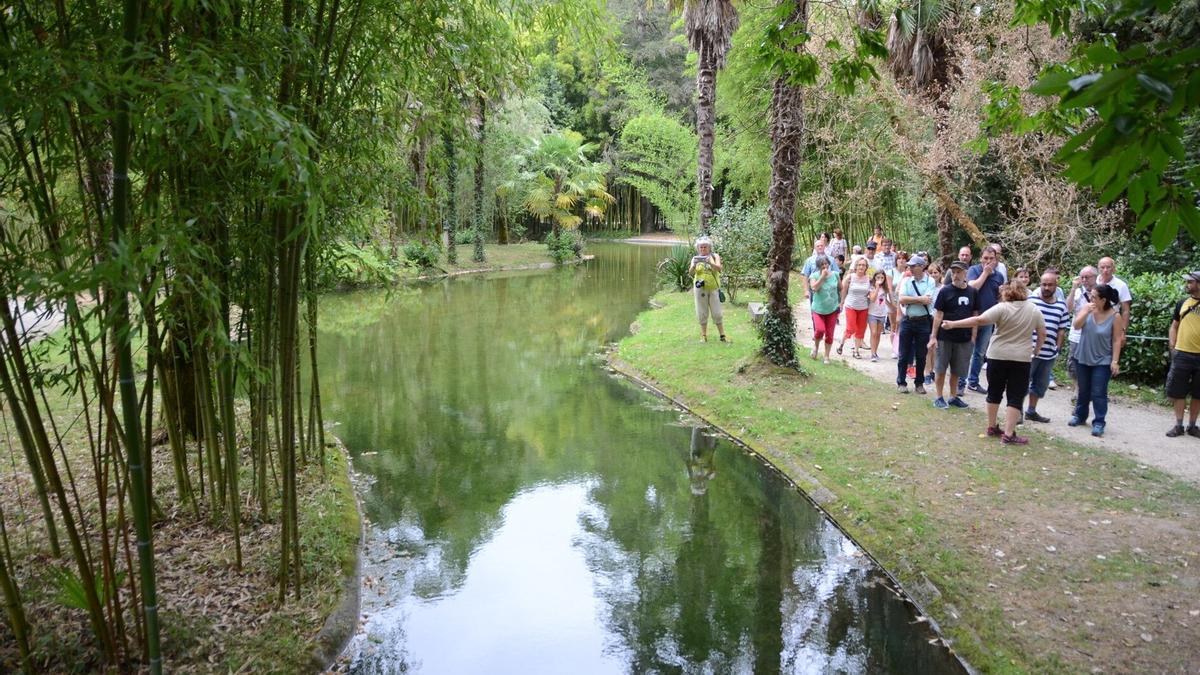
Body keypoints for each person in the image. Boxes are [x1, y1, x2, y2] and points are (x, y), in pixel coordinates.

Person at [942, 281, 1046, 445]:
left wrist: (953, 324)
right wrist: (1037, 350)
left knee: (994, 391)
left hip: (997, 356)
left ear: (1007, 292)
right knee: (1015, 396)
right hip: (1021, 358)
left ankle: (991, 427)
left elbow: (979, 320)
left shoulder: (1002, 308)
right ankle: (1009, 433)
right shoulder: (1033, 309)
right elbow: (1042, 333)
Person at [1070, 284, 1125, 437]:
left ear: (1103, 300)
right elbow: (1076, 326)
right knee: (1083, 389)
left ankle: (1099, 422)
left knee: (1099, 392)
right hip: (1083, 356)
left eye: (1094, 297)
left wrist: (1115, 361)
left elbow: (1117, 340)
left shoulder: (1115, 316)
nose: (1091, 298)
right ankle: (1080, 416)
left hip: (1102, 359)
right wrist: (1085, 312)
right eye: (1090, 296)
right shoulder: (1087, 309)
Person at [929, 260, 978, 409]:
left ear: (965, 274)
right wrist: (933, 336)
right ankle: (939, 397)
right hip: (945, 337)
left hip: (964, 337)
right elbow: (938, 314)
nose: (955, 275)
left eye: (958, 272)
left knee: (957, 369)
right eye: (953, 272)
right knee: (941, 368)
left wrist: (973, 335)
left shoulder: (972, 292)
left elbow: (975, 314)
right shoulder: (945, 291)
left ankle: (953, 396)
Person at [1025, 272, 1071, 423]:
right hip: (1028, 351)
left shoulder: (1061, 305)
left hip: (1049, 353)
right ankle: (1016, 411)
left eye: (1050, 285)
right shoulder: (1030, 301)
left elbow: (1061, 329)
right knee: (1022, 382)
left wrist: (1058, 347)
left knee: (1041, 384)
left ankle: (1031, 411)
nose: (1046, 287)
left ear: (1056, 285)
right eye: (1043, 284)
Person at [964, 245, 1006, 394]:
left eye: (991, 258)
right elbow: (972, 288)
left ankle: (973, 382)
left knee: (980, 353)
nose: (988, 261)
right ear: (980, 258)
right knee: (966, 350)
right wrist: (985, 273)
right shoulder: (973, 270)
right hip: (972, 317)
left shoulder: (999, 276)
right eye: (985, 258)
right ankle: (960, 383)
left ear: (996, 259)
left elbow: (999, 298)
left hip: (988, 319)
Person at [1166, 271, 1200, 437]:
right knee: (1178, 391)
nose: (1188, 285)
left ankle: (1192, 426)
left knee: (1198, 394)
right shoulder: (1182, 303)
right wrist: (1173, 347)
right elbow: (1174, 326)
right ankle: (1178, 425)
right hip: (1182, 354)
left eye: (1191, 282)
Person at [896, 255, 937, 394]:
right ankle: (901, 382)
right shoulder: (906, 280)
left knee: (921, 355)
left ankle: (919, 383)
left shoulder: (930, 281)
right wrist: (919, 299)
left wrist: (911, 299)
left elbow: (928, 300)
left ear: (922, 266)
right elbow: (901, 299)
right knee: (903, 353)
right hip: (908, 319)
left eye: (913, 266)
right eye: (910, 266)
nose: (911, 268)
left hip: (923, 321)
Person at [1066, 266, 1099, 397]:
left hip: (1094, 334)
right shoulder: (1077, 292)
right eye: (1082, 277)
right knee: (1074, 364)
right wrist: (1073, 289)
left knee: (1092, 363)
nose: (1084, 280)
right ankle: (1077, 391)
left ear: (1095, 277)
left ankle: (1088, 391)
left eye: (1087, 277)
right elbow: (1067, 309)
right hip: (1076, 334)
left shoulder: (1101, 291)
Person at [689, 236, 726, 343]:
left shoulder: (715, 256)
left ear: (709, 247)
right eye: (701, 247)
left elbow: (719, 269)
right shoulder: (695, 258)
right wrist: (694, 265)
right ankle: (704, 336)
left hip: (713, 288)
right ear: (698, 248)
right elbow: (690, 273)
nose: (703, 249)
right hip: (700, 289)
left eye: (705, 247)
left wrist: (710, 263)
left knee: (717, 312)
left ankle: (722, 335)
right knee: (702, 312)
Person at [808, 255, 841, 364]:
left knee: (830, 334)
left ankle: (826, 356)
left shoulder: (835, 275)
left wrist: (841, 302)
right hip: (818, 309)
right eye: (822, 264)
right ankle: (816, 347)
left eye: (826, 263)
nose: (824, 266)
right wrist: (822, 277)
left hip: (832, 309)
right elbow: (814, 288)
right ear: (818, 266)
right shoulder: (814, 276)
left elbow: (840, 288)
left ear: (829, 264)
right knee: (820, 330)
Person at [838, 256, 871, 359]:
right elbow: (843, 290)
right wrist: (842, 302)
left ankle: (856, 351)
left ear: (866, 267)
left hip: (863, 307)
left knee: (861, 330)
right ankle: (841, 343)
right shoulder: (850, 277)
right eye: (859, 265)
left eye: (863, 265)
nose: (861, 267)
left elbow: (872, 291)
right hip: (851, 306)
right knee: (851, 328)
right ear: (856, 266)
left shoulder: (869, 278)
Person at [1097, 256, 1133, 335]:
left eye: (1108, 267)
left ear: (1113, 269)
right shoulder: (1093, 282)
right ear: (1098, 268)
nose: (1105, 270)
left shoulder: (1121, 285)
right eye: (1102, 267)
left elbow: (1125, 310)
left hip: (1112, 324)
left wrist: (1123, 331)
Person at [923, 262, 944, 386]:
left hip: (938, 319)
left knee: (936, 346)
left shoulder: (943, 288)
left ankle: (934, 370)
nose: (933, 275)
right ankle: (927, 371)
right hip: (927, 317)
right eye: (931, 273)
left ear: (940, 274)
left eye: (936, 272)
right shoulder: (926, 287)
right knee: (928, 346)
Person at [867, 271, 892, 362]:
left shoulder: (885, 288)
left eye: (882, 278)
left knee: (878, 334)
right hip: (872, 313)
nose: (880, 279)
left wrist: (893, 307)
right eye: (878, 277)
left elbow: (886, 300)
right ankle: (872, 354)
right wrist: (877, 288)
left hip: (882, 314)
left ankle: (875, 352)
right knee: (873, 333)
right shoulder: (871, 287)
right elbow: (873, 299)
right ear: (875, 278)